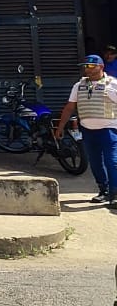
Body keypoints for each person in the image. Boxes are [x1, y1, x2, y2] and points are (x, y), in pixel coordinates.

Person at [53, 55, 117, 207]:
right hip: (88, 131)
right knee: (95, 162)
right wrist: (60, 127)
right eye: (85, 66)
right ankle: (103, 190)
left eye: (90, 66)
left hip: (109, 130)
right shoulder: (79, 85)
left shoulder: (113, 84)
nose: (86, 69)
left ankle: (114, 193)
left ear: (100, 67)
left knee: (112, 162)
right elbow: (70, 107)